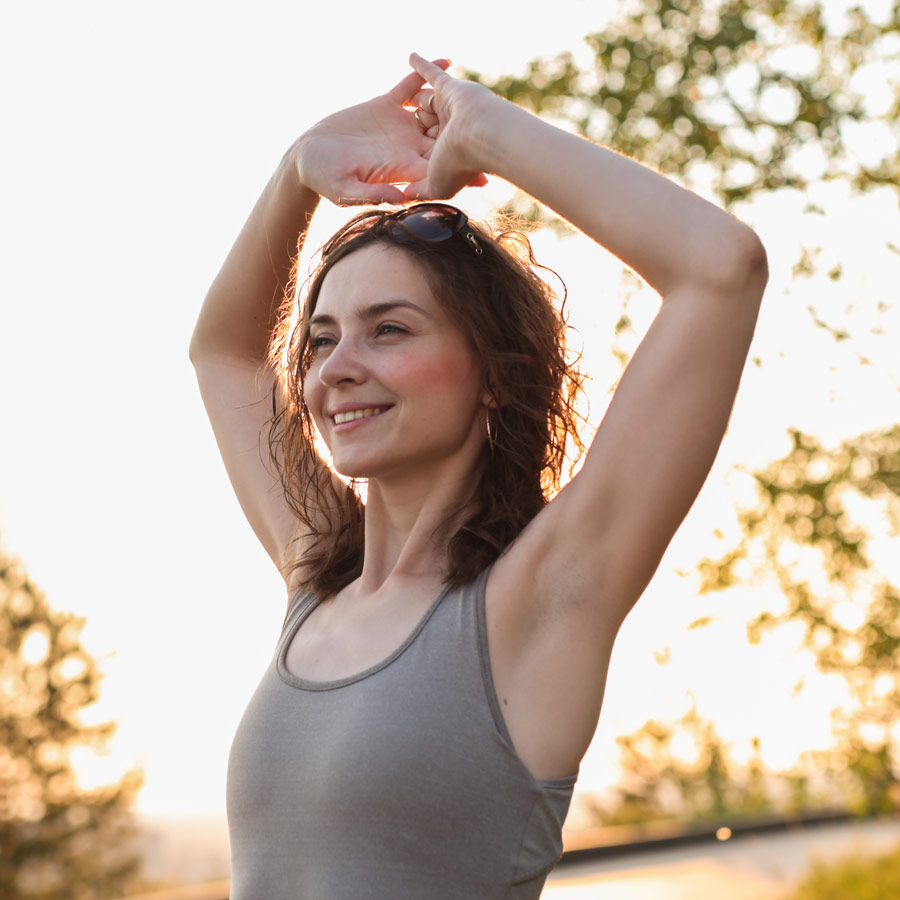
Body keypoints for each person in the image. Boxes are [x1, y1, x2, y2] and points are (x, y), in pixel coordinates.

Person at [191, 53, 768, 900]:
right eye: (321, 338)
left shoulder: (542, 595)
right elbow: (225, 352)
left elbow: (721, 268)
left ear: (493, 371)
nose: (335, 368)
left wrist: (487, 132)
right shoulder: (317, 575)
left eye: (388, 330)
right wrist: (297, 171)